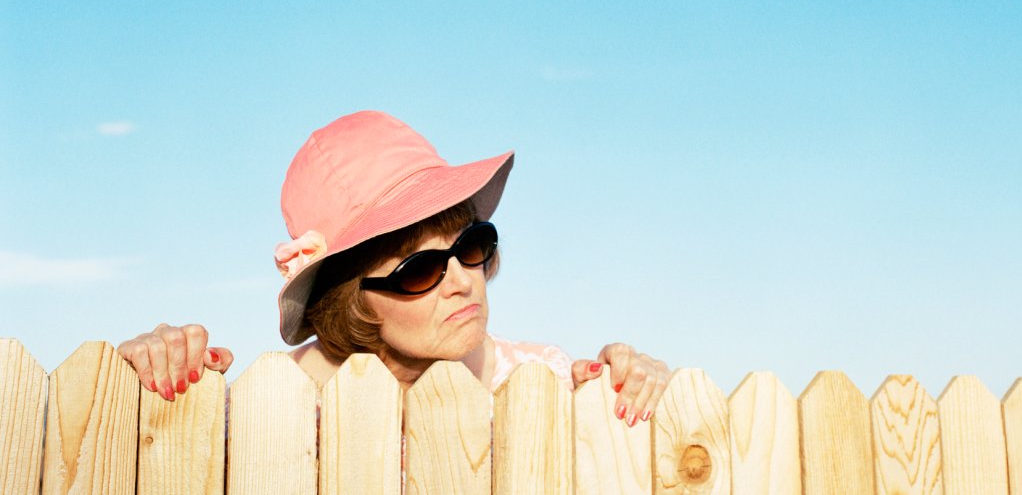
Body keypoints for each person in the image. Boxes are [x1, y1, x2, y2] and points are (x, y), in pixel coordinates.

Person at [118, 111, 670, 425]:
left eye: (471, 243)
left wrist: (652, 400)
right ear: (352, 298)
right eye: (418, 269)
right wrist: (138, 381)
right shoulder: (266, 411)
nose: (461, 282)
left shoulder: (551, 384)